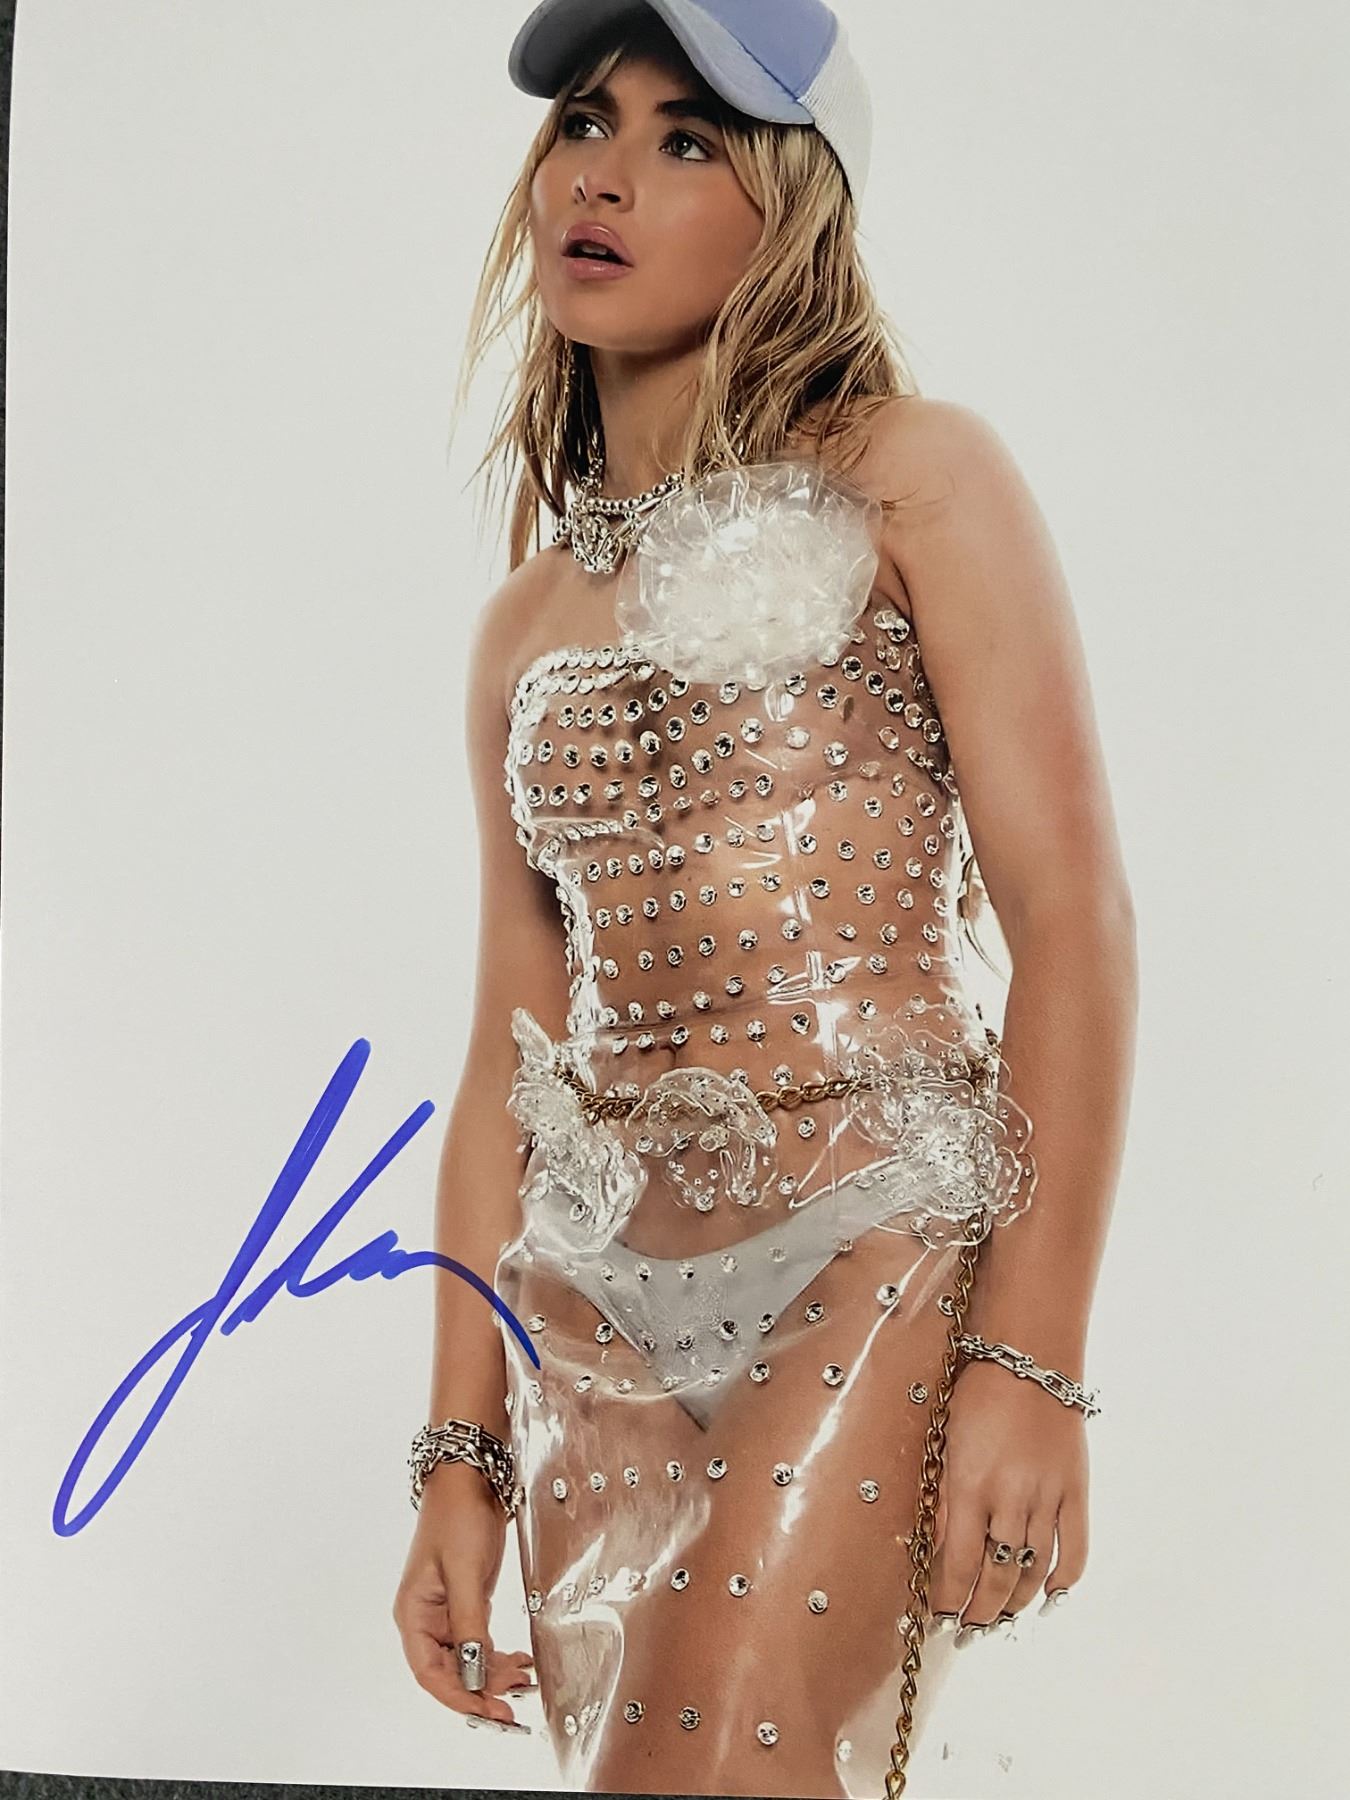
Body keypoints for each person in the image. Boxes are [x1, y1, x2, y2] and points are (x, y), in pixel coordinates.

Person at [392, 4, 1137, 1796]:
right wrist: (455, 1458)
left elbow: (1074, 925)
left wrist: (1033, 1357)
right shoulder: (519, 629)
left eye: (687, 140)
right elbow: (503, 1057)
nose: (604, 175)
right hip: (588, 1307)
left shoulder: (914, 477)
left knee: (719, 1763)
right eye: (586, 121)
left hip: (872, 1234)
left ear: (794, 207)